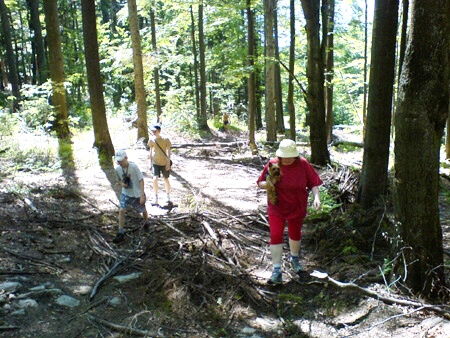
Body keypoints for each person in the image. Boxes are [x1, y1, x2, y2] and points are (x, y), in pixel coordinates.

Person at [257, 139, 322, 284]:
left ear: (295, 155)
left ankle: (295, 259)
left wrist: (316, 197)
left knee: (295, 233)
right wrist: (269, 183)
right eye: (284, 157)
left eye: (289, 157)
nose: (286, 160)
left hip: (297, 205)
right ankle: (276, 270)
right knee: (275, 234)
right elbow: (259, 183)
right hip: (277, 205)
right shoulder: (272, 164)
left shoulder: (303, 164)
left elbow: (313, 183)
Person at [113, 149, 148, 243]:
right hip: (126, 193)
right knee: (121, 210)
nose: (119, 163)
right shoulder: (117, 169)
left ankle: (146, 223)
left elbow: (141, 180)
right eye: (118, 161)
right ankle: (120, 232)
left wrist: (142, 195)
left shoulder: (133, 167)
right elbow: (118, 180)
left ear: (126, 158)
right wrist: (122, 184)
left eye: (121, 160)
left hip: (136, 193)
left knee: (143, 210)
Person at [147, 124, 172, 205]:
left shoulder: (166, 139)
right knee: (155, 178)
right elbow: (150, 152)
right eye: (152, 131)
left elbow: (168, 152)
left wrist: (168, 163)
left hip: (164, 162)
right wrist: (150, 164)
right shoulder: (151, 140)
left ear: (159, 131)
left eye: (155, 131)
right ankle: (156, 197)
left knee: (166, 179)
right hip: (155, 162)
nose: (154, 132)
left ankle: (168, 196)